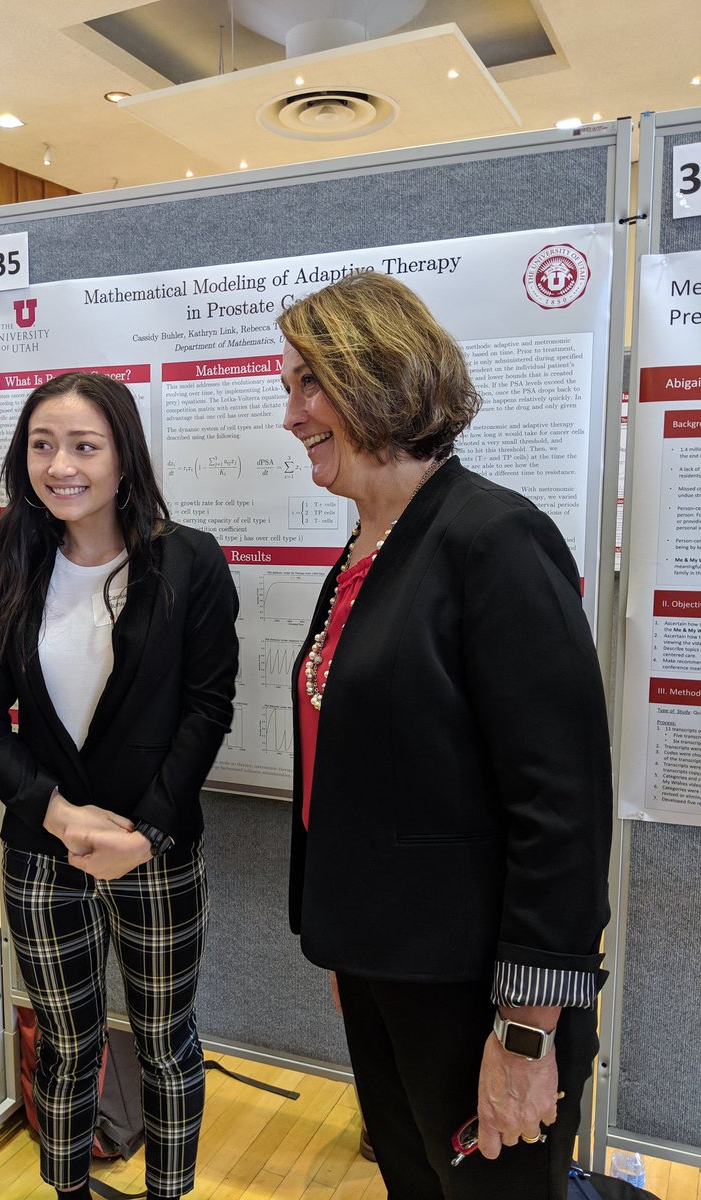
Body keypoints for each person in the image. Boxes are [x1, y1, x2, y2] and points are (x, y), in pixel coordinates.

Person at [278, 274, 612, 1200]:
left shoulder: (494, 540)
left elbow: (562, 810)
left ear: (373, 376)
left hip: (480, 990)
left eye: (310, 383)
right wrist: (349, 941)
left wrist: (528, 1033)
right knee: (417, 1184)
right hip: (384, 961)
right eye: (288, 386)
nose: (292, 413)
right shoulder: (365, 547)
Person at [0, 371, 238, 1200]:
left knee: (164, 1042)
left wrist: (142, 833)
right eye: (43, 445)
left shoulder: (188, 560)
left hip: (156, 849)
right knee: (69, 1044)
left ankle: (166, 1193)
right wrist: (60, 814)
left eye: (84, 445)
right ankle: (68, 1190)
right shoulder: (9, 558)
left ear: (123, 458)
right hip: (44, 857)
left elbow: (206, 708)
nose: (61, 464)